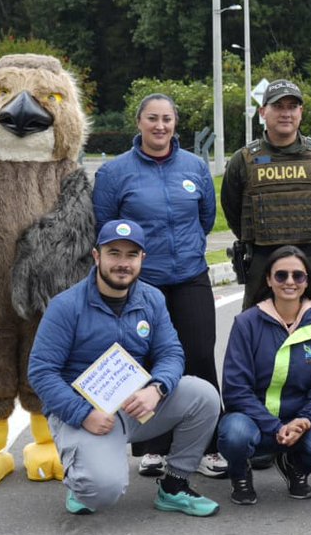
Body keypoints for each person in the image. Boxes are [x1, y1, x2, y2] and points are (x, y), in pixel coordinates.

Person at [27, 219, 221, 517]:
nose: (122, 263)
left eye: (131, 255)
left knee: (204, 395)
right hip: (87, 413)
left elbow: (170, 352)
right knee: (99, 495)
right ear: (97, 256)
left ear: (142, 259)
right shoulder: (66, 306)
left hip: (134, 406)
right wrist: (83, 414)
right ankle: (81, 478)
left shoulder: (152, 298)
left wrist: (157, 389)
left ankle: (174, 486)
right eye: (113, 253)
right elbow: (41, 371)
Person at [92, 93, 226, 480]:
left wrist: (181, 252)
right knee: (143, 362)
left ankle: (209, 445)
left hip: (189, 277)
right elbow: (104, 226)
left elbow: (205, 218)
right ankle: (152, 448)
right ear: (139, 123)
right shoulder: (116, 173)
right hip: (140, 285)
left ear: (175, 123)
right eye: (152, 118)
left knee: (199, 356)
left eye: (167, 119)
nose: (160, 126)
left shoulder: (195, 167)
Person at [218, 246, 311, 504]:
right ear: (268, 279)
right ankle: (239, 472)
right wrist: (274, 426)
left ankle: (295, 466)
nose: (290, 281)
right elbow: (236, 388)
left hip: (299, 421)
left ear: (307, 281)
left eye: (298, 276)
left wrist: (305, 421)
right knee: (234, 436)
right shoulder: (246, 323)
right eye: (281, 275)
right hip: (252, 419)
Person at [220, 78, 311, 320]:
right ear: (263, 112)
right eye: (278, 106)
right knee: (254, 327)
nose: (286, 113)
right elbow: (231, 207)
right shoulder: (244, 160)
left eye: (292, 107)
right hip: (262, 256)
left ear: (300, 112)